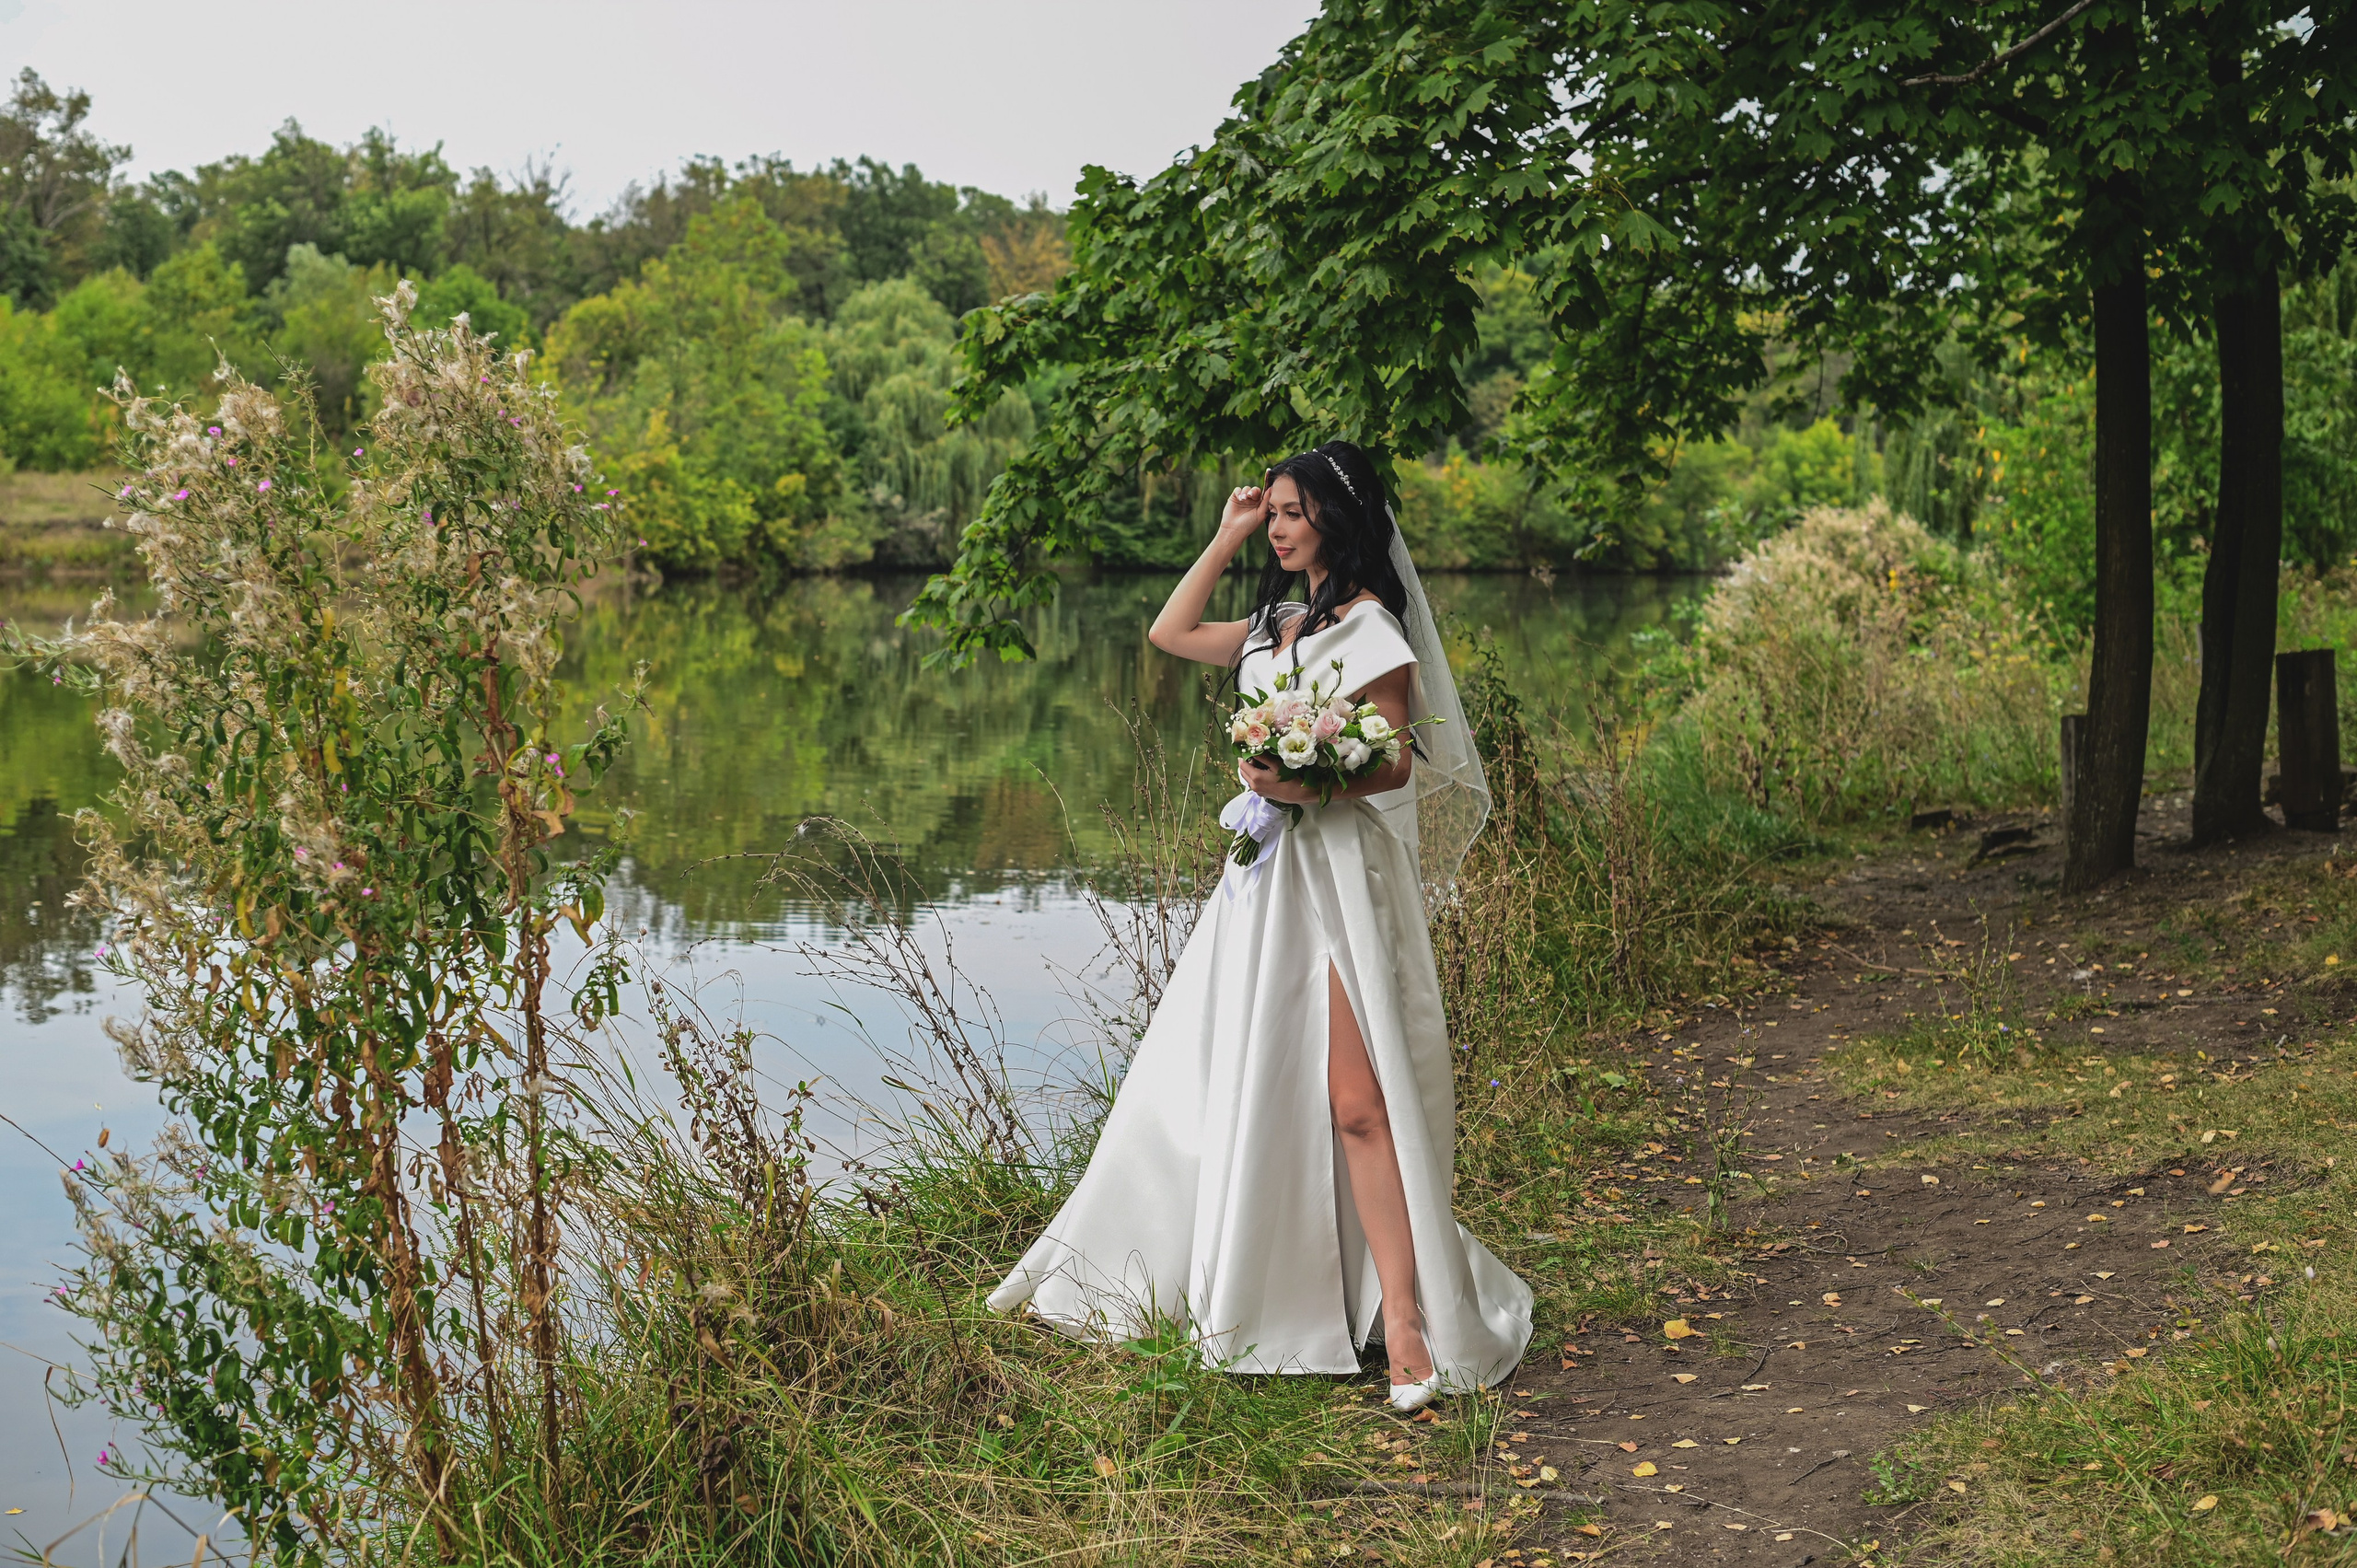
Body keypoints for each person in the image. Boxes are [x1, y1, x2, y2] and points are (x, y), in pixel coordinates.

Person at [987, 440, 1532, 1411]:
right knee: (1239, 1082)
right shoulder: (1272, 621)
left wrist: (1308, 775)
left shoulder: (1369, 629)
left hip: (1339, 878)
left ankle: (1404, 1324)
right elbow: (1167, 629)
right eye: (1271, 512)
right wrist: (1225, 529)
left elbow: (1398, 765)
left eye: (1290, 511)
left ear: (1337, 517)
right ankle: (1262, 1289)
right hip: (1262, 886)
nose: (1279, 526)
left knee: (1357, 1099)